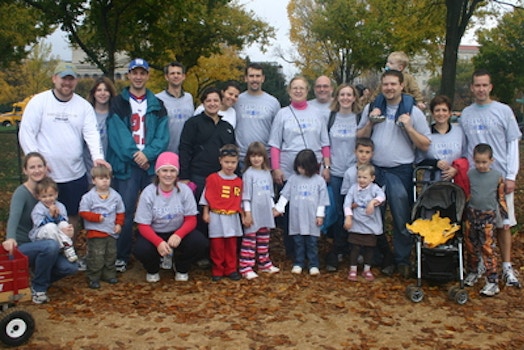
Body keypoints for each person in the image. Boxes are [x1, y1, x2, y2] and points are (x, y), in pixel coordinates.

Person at [19, 61, 109, 235]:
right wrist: (37, 164)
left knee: (72, 216)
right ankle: (46, 254)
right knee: (42, 217)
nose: (67, 83)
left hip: (74, 174)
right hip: (45, 176)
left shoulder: (83, 106)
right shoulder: (39, 102)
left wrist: (97, 156)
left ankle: (69, 252)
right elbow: (26, 133)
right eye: (63, 78)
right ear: (54, 78)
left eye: (71, 79)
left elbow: (91, 133)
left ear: (75, 81)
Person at [357, 69, 431, 278]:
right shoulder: (373, 108)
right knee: (373, 216)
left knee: (400, 217)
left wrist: (408, 128)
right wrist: (371, 122)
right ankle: (380, 257)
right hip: (375, 170)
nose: (389, 88)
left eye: (393, 84)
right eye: (386, 84)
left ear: (401, 86)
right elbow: (359, 136)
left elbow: (425, 144)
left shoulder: (413, 112)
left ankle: (402, 259)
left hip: (401, 170)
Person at [460, 69, 522, 288]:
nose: (481, 89)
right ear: (472, 87)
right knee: (476, 226)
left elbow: (512, 143)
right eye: (477, 85)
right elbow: (465, 147)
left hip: (500, 179)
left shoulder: (503, 111)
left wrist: (511, 175)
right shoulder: (466, 114)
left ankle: (506, 266)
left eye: (484, 85)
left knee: (503, 224)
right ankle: (478, 265)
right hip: (475, 181)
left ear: (490, 87)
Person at [106, 58, 169, 273]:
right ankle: (122, 255)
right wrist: (135, 154)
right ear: (129, 75)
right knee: (125, 211)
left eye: (143, 72)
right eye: (135, 72)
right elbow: (117, 134)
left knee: (158, 210)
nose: (139, 77)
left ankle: (160, 253)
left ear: (148, 75)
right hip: (128, 165)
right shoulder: (118, 103)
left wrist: (148, 154)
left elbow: (163, 135)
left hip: (150, 166)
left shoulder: (157, 104)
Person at [269, 76, 331, 258]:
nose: (298, 91)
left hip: (313, 169)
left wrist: (326, 166)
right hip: (289, 170)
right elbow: (274, 144)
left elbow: (325, 142)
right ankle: (293, 251)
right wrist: (276, 168)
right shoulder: (282, 114)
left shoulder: (317, 114)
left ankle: (311, 250)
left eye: (301, 88)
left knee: (312, 208)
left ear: (307, 91)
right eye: (294, 88)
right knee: (290, 211)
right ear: (289, 91)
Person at [3, 152, 78, 304]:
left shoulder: (47, 190)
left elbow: (56, 216)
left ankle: (37, 278)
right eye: (32, 167)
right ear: (25, 171)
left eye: (40, 166)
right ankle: (39, 288)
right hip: (24, 245)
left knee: (70, 267)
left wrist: (65, 229)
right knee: (50, 246)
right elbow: (14, 217)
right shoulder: (21, 193)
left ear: (45, 168)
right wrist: (10, 238)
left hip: (46, 239)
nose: (37, 170)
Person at [133, 152, 209, 283]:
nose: (168, 174)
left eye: (172, 170)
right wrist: (158, 242)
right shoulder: (149, 192)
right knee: (140, 248)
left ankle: (181, 266)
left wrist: (179, 234)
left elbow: (191, 219)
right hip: (155, 232)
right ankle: (153, 268)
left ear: (177, 173)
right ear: (158, 172)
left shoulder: (184, 190)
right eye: (164, 170)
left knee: (200, 242)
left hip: (177, 232)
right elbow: (143, 225)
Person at [274, 149, 330, 276]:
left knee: (312, 243)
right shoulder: (293, 179)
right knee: (298, 242)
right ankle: (298, 262)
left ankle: (313, 264)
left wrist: (320, 215)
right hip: (297, 218)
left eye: (303, 167)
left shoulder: (319, 181)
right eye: (298, 166)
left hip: (312, 218)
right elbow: (285, 195)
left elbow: (322, 200)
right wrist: (278, 208)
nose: (300, 169)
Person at [323, 84, 360, 271]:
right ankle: (338, 249)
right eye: (342, 94)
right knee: (339, 212)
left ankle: (357, 249)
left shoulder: (359, 119)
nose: (345, 98)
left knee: (356, 211)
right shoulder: (330, 118)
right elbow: (325, 145)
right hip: (336, 172)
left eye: (349, 95)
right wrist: (326, 167)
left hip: (356, 173)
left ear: (354, 98)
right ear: (337, 97)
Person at [179, 87, 237, 204]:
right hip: (198, 176)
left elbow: (233, 152)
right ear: (203, 103)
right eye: (208, 101)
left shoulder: (227, 127)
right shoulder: (193, 123)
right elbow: (184, 149)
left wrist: (236, 176)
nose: (212, 104)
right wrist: (184, 176)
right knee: (199, 213)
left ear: (221, 103)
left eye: (215, 101)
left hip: (221, 177)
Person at [464, 144, 508, 296]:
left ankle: (492, 281)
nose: (481, 165)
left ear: (491, 160)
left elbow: (501, 199)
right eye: (478, 162)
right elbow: (468, 194)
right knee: (471, 245)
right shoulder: (470, 174)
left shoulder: (497, 177)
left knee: (487, 248)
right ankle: (474, 271)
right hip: (472, 214)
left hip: (488, 217)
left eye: (484, 162)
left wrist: (505, 219)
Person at [199, 144, 243, 281]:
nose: (230, 165)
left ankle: (231, 269)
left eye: (233, 162)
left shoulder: (238, 181)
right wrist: (206, 212)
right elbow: (206, 196)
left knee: (231, 244)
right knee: (217, 245)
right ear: (220, 161)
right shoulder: (213, 178)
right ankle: (217, 269)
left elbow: (241, 200)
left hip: (232, 217)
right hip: (216, 215)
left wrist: (244, 215)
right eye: (227, 162)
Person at [79, 166, 125, 289]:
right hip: (96, 232)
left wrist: (119, 224)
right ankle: (93, 277)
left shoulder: (115, 196)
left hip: (111, 231)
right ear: (94, 180)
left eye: (107, 178)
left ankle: (109, 275)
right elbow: (83, 212)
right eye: (101, 178)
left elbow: (120, 211)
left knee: (111, 254)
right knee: (96, 255)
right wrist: (95, 217)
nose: (105, 181)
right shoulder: (89, 197)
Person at [239, 141, 280, 280]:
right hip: (253, 212)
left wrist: (273, 207)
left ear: (264, 157)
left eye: (259, 156)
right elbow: (246, 196)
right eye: (253, 156)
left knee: (264, 238)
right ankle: (246, 266)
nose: (256, 159)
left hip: (265, 212)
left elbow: (269, 194)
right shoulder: (248, 174)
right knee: (250, 240)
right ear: (248, 158)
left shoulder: (267, 173)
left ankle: (264, 263)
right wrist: (248, 213)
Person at [343, 164, 385, 282]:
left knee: (369, 248)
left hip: (370, 223)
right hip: (357, 222)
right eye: (359, 177)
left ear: (372, 178)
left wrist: (373, 202)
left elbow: (382, 196)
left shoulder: (375, 188)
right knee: (355, 247)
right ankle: (353, 269)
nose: (361, 180)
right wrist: (348, 217)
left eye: (364, 177)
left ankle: (367, 269)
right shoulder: (353, 189)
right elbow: (347, 203)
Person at [234, 63, 281, 166]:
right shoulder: (236, 100)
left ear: (263, 78)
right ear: (246, 78)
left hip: (265, 158)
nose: (254, 79)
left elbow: (277, 133)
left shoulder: (273, 102)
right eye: (251, 76)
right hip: (241, 158)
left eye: (258, 76)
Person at [416, 95, 467, 183]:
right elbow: (418, 160)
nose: (441, 114)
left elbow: (465, 156)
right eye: (437, 110)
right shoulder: (425, 133)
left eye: (444, 110)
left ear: (450, 113)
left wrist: (456, 169)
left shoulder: (459, 132)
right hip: (431, 184)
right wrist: (435, 163)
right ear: (432, 113)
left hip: (455, 183)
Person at [29, 177, 77, 262]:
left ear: (56, 194)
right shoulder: (38, 209)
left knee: (64, 225)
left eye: (51, 195)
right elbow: (40, 224)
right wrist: (50, 215)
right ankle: (63, 247)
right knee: (50, 226)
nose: (48, 199)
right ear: (38, 197)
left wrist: (58, 217)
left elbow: (63, 221)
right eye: (44, 196)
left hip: (57, 233)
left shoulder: (60, 206)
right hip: (40, 235)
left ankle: (67, 247)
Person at [155, 61, 195, 153]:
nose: (176, 76)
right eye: (172, 73)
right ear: (166, 77)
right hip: (165, 152)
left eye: (178, 73)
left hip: (186, 151)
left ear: (183, 76)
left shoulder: (189, 97)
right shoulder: (158, 99)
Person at [84, 76, 117, 180]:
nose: (102, 93)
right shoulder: (86, 115)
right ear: (93, 93)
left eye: (106, 90)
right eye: (99, 90)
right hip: (90, 170)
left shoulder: (116, 116)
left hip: (112, 170)